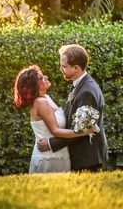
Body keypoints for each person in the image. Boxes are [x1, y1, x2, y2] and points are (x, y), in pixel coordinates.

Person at [37, 44, 107, 172]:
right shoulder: (78, 84)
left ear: (76, 68)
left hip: (87, 157)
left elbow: (81, 130)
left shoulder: (87, 91)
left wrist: (51, 143)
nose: (60, 69)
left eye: (64, 66)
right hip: (83, 156)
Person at [14, 65, 94, 173]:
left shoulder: (46, 97)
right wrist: (83, 131)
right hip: (49, 157)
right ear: (33, 85)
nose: (46, 77)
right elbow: (55, 131)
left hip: (59, 153)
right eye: (41, 78)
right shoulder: (40, 102)